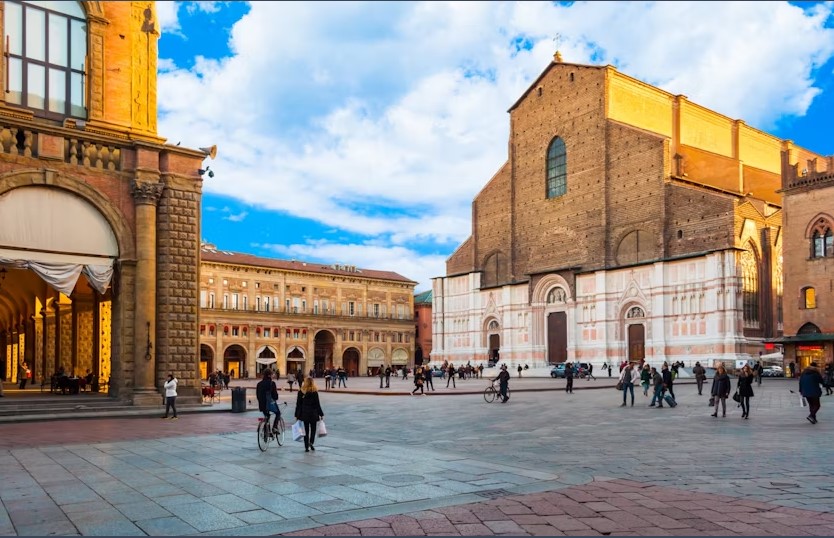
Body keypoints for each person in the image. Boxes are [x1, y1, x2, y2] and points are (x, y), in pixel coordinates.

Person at [295, 377, 325, 452]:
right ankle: (311, 442)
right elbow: (317, 404)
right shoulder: (314, 392)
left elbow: (298, 404)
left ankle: (306, 446)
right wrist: (321, 414)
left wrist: (297, 415)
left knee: (306, 430)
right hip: (313, 413)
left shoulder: (301, 392)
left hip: (304, 413)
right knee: (313, 429)